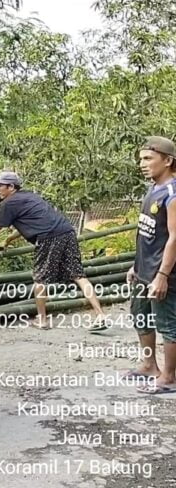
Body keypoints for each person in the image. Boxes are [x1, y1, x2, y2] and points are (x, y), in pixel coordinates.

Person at [0, 171, 107, 331]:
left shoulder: (8, 204)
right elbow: (32, 223)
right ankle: (100, 315)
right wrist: (8, 240)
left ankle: (42, 319)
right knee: (78, 275)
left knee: (40, 278)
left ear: (11, 187)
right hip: (66, 231)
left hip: (49, 237)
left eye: (0, 186)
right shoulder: (30, 196)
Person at [128, 136, 176, 395]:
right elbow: (147, 232)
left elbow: (174, 238)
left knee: (168, 323)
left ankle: (169, 377)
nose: (142, 164)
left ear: (167, 160)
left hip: (163, 272)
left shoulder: (173, 193)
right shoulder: (152, 189)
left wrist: (162, 275)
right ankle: (149, 365)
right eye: (141, 159)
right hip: (144, 270)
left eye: (148, 159)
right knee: (140, 315)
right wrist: (136, 266)